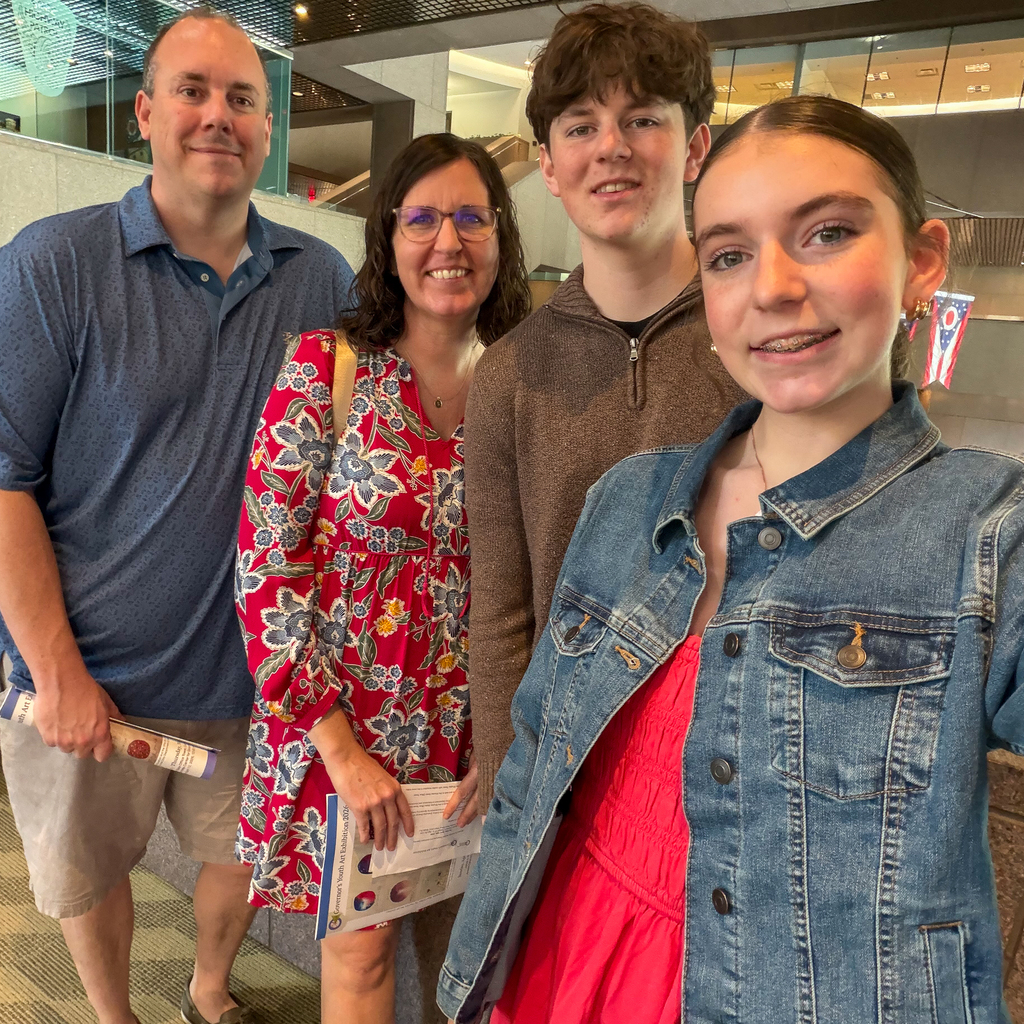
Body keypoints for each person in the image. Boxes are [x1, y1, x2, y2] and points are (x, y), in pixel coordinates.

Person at [437, 94, 1024, 1024]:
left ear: (922, 262)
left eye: (827, 232)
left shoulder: (986, 530)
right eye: (729, 254)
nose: (774, 286)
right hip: (565, 954)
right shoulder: (631, 497)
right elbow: (536, 760)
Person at [0, 9, 354, 1024]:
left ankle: (205, 987)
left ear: (269, 131)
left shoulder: (320, 282)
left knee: (238, 859)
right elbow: (4, 481)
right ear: (145, 114)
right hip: (89, 683)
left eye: (243, 98)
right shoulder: (50, 268)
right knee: (93, 872)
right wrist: (56, 670)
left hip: (254, 677)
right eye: (193, 92)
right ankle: (115, 1015)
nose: (218, 116)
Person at [235, 133, 531, 1024]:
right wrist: (341, 753)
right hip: (344, 726)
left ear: (501, 235)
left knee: (464, 955)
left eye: (472, 216)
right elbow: (265, 570)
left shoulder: (521, 382)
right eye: (424, 218)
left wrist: (502, 732)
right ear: (389, 239)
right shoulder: (328, 367)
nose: (449, 240)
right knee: (359, 955)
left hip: (468, 730)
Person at [465, 2, 747, 807]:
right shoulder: (510, 373)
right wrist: (507, 783)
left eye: (642, 118)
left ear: (695, 147)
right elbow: (501, 613)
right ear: (549, 167)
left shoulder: (762, 340)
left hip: (727, 773)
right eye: (580, 126)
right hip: (567, 774)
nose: (612, 148)